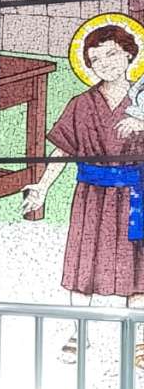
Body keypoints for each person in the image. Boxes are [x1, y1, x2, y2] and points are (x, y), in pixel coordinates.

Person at [22, 21, 144, 362]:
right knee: (83, 263)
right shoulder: (81, 104)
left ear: (128, 55)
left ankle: (140, 340)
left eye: (111, 54)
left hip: (134, 195)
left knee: (138, 268)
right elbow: (63, 149)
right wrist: (42, 187)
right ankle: (79, 331)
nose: (104, 64)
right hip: (92, 196)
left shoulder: (143, 101)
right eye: (96, 59)